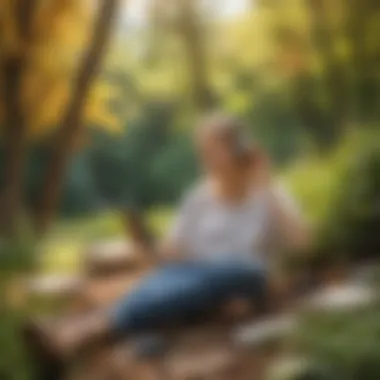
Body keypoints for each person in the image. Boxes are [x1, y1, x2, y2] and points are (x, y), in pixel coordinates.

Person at [26, 113, 311, 377]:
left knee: (230, 268)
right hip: (195, 279)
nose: (205, 159)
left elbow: (303, 243)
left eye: (213, 150)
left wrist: (266, 183)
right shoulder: (198, 197)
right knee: (166, 280)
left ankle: (74, 334)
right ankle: (72, 337)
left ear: (238, 150)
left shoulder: (268, 192)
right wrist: (151, 248)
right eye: (203, 151)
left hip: (245, 278)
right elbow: (174, 251)